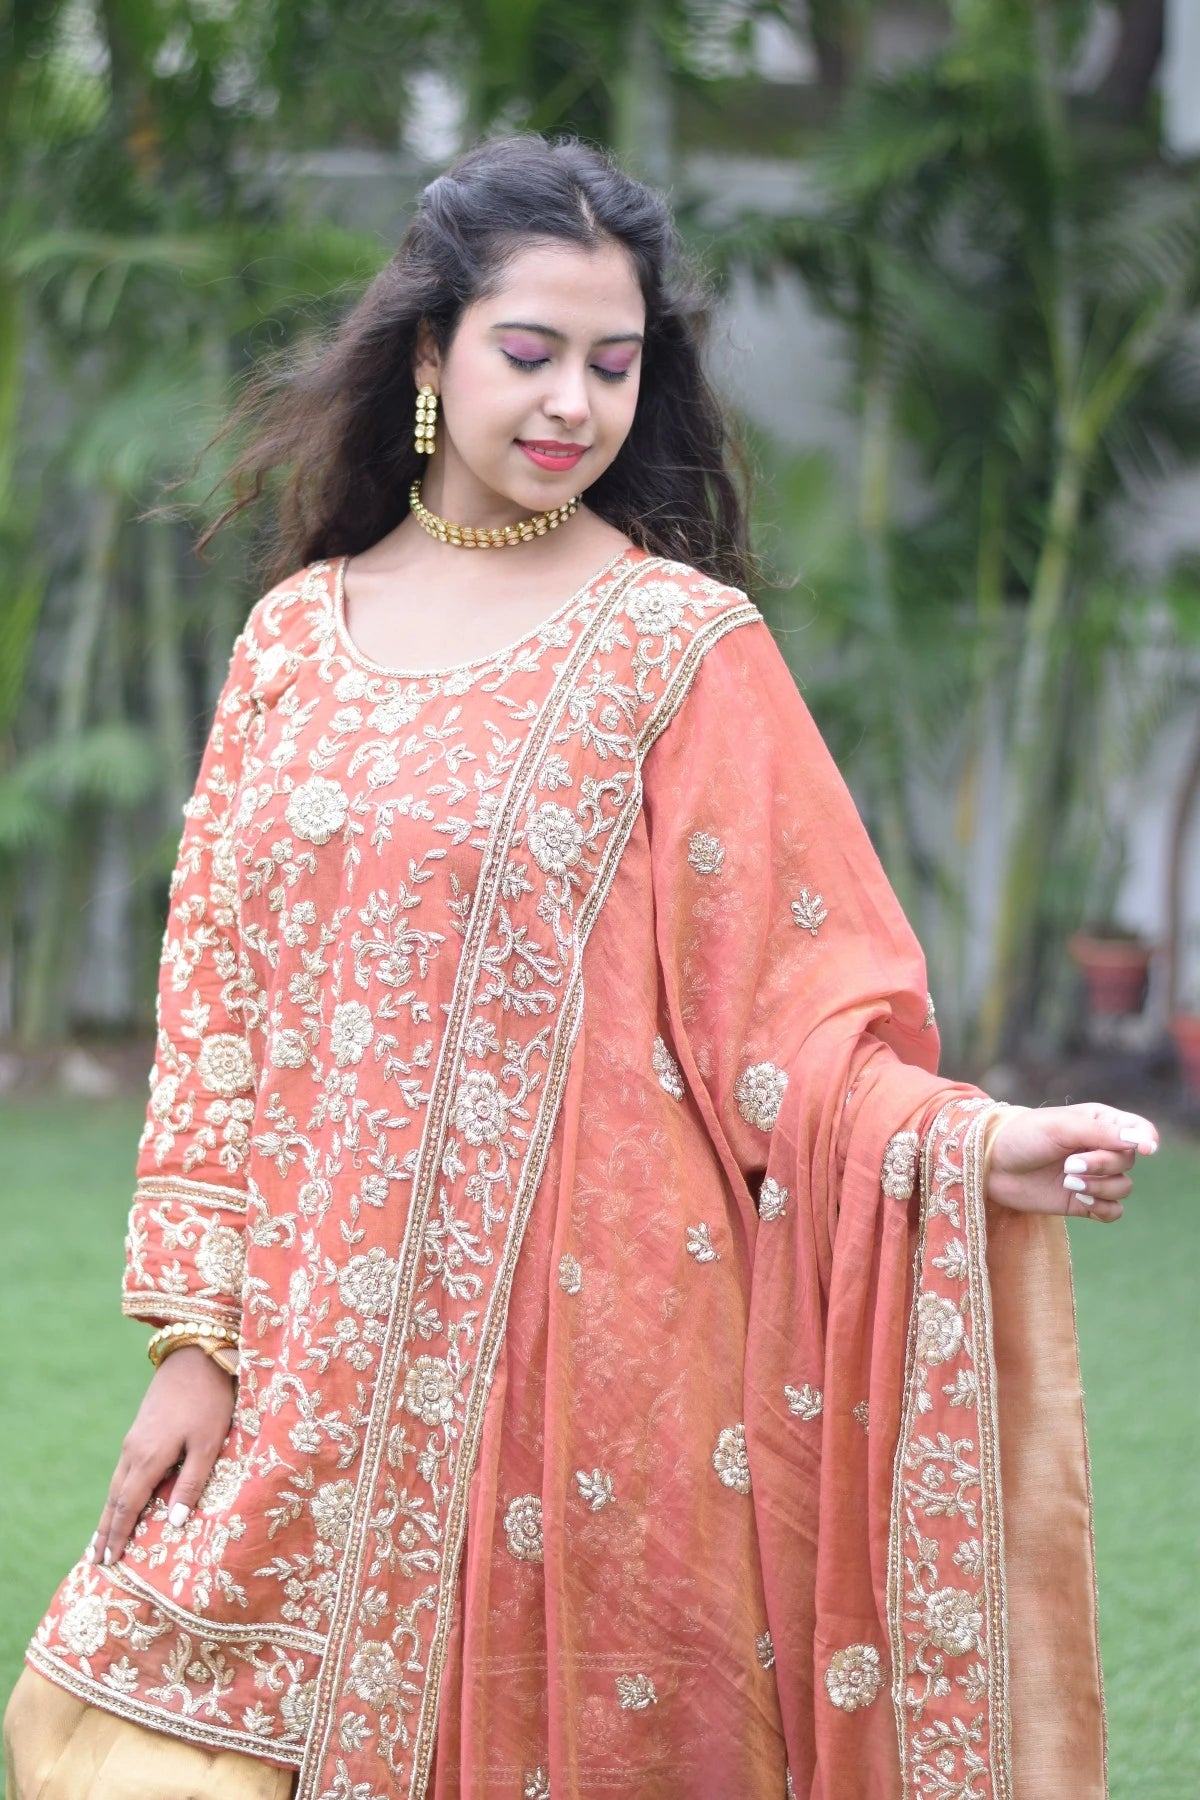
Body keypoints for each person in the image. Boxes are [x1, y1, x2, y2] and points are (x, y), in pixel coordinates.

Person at [4, 134, 1155, 1800]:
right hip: (311, 1354)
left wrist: (977, 1144)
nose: (571, 405)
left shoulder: (676, 645)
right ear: (428, 353)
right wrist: (196, 1340)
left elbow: (796, 1027)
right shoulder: (292, 642)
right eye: (528, 353)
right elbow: (217, 1010)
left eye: (614, 366)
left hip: (592, 1378)